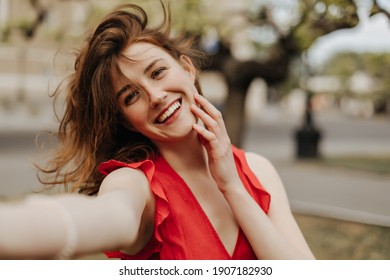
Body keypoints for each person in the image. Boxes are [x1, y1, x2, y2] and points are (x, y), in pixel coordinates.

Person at [0, 2, 315, 260]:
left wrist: (233, 187)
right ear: (125, 120)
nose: (155, 95)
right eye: (131, 95)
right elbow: (111, 217)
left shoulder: (258, 170)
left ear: (188, 69)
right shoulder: (134, 183)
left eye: (158, 72)